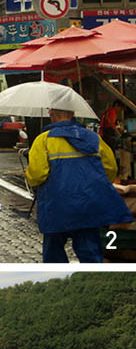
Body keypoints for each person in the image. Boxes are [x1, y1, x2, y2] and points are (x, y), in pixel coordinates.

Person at [25, 106, 132, 262]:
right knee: (90, 253)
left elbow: (37, 175)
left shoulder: (43, 140)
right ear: (73, 113)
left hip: (56, 206)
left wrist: (29, 177)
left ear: (51, 114)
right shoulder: (94, 138)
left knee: (54, 254)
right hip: (88, 204)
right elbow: (110, 168)